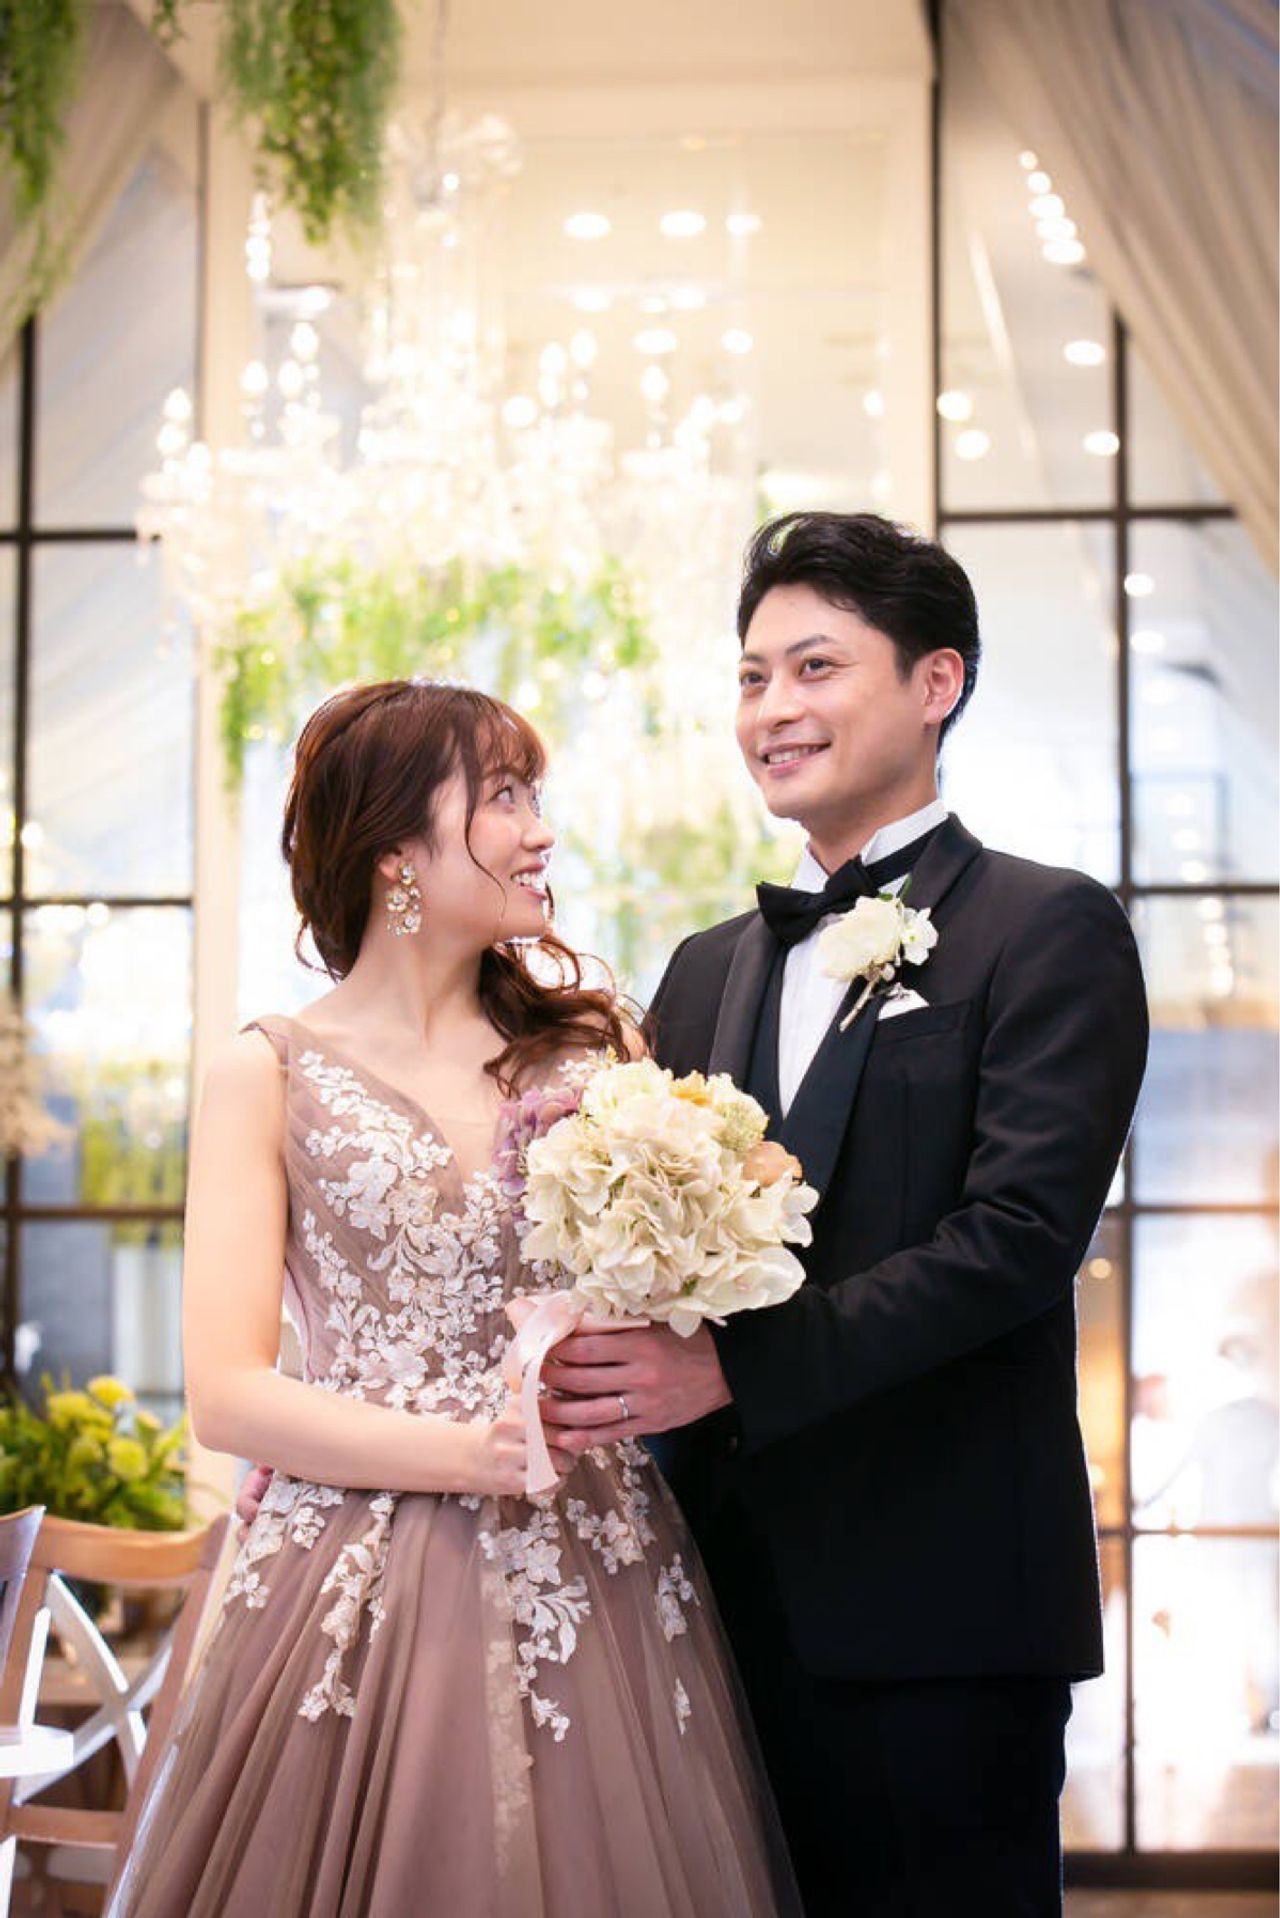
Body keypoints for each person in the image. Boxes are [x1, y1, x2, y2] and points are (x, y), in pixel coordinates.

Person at [540, 511, 1150, 1917]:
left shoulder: (1045, 927)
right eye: (751, 677)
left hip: (942, 1607)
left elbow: (1017, 1239)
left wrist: (730, 1370)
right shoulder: (703, 968)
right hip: (709, 1594)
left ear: (936, 682)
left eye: (814, 667)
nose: (771, 709)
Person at [111, 680, 800, 1918]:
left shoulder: (600, 1057)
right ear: (396, 851)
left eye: (534, 795)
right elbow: (226, 1394)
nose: (542, 830)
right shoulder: (265, 1072)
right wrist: (467, 1454)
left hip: (591, 1559)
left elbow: (671, 1308)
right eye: (505, 796)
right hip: (349, 1575)